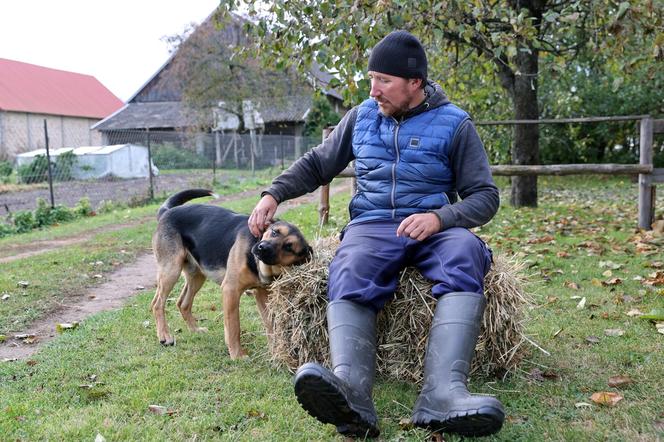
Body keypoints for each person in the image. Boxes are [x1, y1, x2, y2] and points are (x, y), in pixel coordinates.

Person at [248, 30, 504, 438]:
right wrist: (273, 193)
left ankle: (442, 395)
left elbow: (485, 197)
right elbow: (318, 164)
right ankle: (351, 393)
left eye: (383, 81)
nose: (374, 90)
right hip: (371, 225)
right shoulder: (362, 116)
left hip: (434, 227)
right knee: (348, 266)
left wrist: (440, 218)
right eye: (371, 79)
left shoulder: (456, 123)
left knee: (465, 254)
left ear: (415, 83)